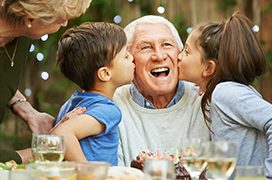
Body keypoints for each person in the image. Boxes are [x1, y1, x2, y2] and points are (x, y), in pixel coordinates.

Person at [177, 11, 272, 179]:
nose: (179, 56)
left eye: (186, 52)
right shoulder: (213, 95)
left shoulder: (225, 93)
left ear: (209, 68)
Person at [0, 0, 92, 163]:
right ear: (30, 19)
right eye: (61, 19)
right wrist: (42, 152)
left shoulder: (20, 36)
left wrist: (28, 112)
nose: (65, 23)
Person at [113, 15, 211, 166]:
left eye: (166, 45)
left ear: (179, 54)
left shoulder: (207, 100)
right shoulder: (113, 107)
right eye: (145, 47)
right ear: (129, 60)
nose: (159, 56)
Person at [51, 22, 135, 166]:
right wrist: (88, 173)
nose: (132, 58)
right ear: (105, 73)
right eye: (126, 56)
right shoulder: (108, 110)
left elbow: (55, 137)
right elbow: (62, 134)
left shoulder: (70, 104)